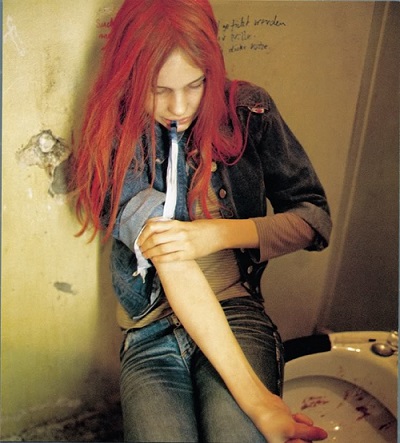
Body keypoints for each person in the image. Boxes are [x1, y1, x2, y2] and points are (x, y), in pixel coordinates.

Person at [71, 0, 332, 442]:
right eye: (158, 90)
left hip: (235, 313)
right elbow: (170, 257)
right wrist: (259, 401)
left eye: (195, 84)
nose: (179, 106)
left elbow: (314, 220)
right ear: (129, 76)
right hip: (151, 327)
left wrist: (213, 234)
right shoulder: (114, 136)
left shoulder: (249, 111)